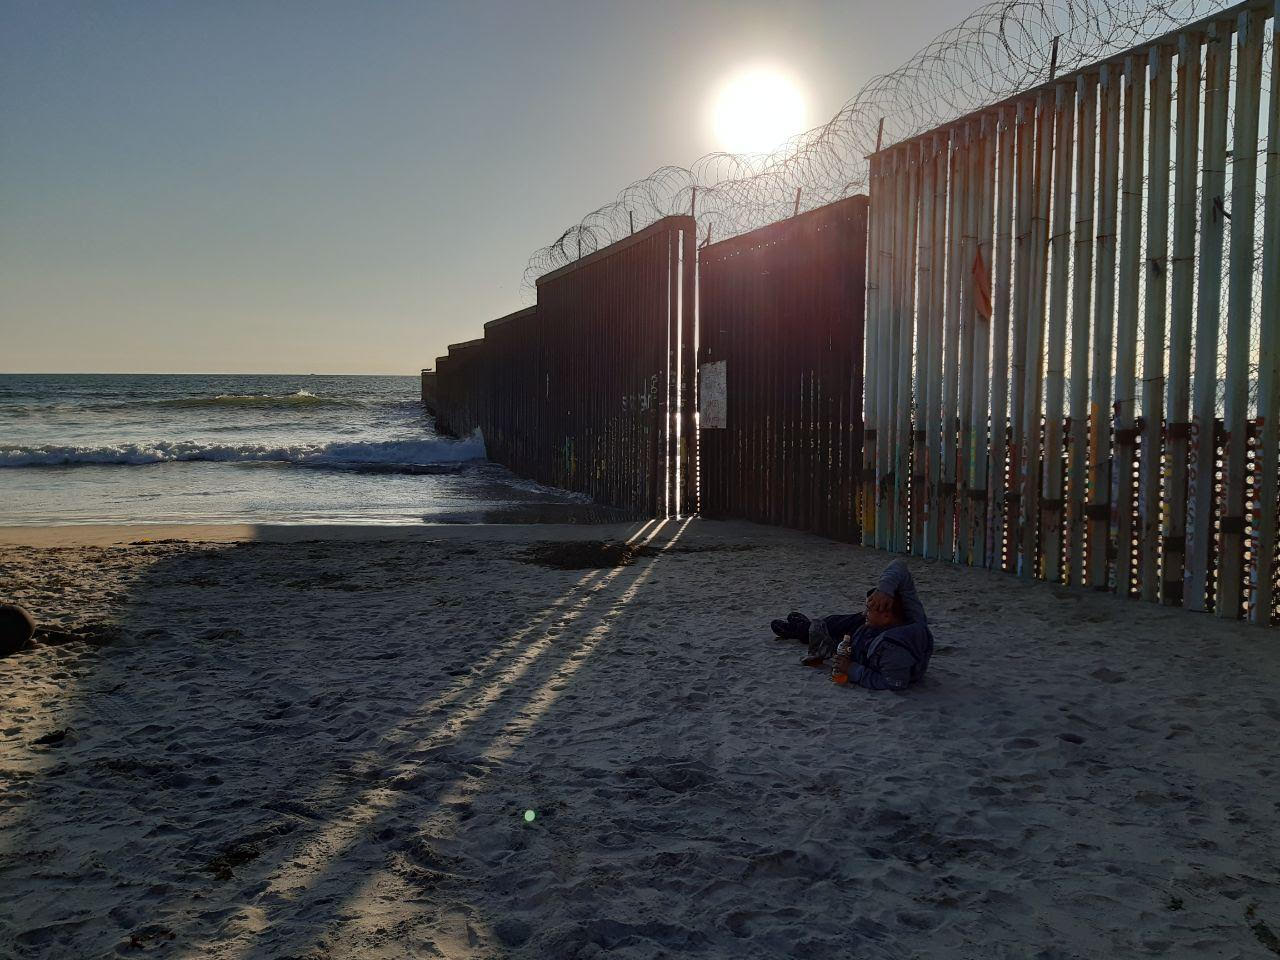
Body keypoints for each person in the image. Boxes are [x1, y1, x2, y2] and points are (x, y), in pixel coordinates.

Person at [770, 558, 933, 691]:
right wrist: (885, 590)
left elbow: (893, 683)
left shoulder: (895, 649)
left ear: (886, 615)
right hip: (870, 633)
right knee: (836, 622)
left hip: (864, 648)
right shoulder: (911, 615)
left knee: (832, 639)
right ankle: (805, 627)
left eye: (869, 609)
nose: (864, 612)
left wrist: (852, 669)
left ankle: (802, 630)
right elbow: (899, 566)